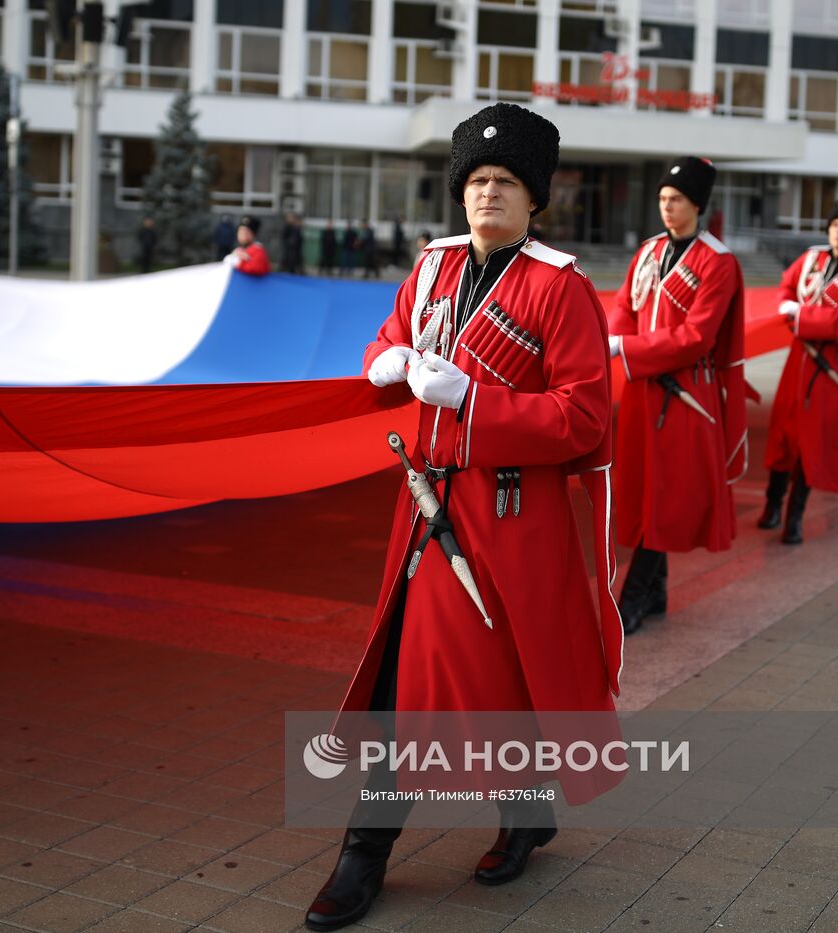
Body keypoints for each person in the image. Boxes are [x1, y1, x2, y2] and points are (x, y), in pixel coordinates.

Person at [307, 103, 622, 931]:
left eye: (506, 182)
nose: (489, 193)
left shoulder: (562, 287)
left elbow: (585, 418)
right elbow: (391, 335)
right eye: (477, 180)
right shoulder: (435, 267)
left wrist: (475, 401)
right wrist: (385, 359)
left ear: (533, 200)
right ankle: (519, 814)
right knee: (435, 676)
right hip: (425, 506)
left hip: (512, 513)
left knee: (458, 678)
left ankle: (365, 853)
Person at [607, 157, 746, 635]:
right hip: (645, 386)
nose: (667, 207)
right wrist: (622, 341)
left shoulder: (718, 261)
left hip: (687, 393)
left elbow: (698, 336)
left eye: (677, 200)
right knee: (646, 488)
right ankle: (658, 590)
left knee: (665, 494)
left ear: (697, 205)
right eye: (663, 199)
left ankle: (633, 597)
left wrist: (628, 347)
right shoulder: (646, 251)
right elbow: (625, 308)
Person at [760, 198, 838, 544]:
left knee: (810, 442)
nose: (837, 232)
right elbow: (786, 289)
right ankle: (772, 504)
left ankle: (794, 517)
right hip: (799, 362)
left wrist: (800, 316)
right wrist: (792, 309)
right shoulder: (810, 259)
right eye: (834, 226)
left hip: (832, 367)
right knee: (783, 434)